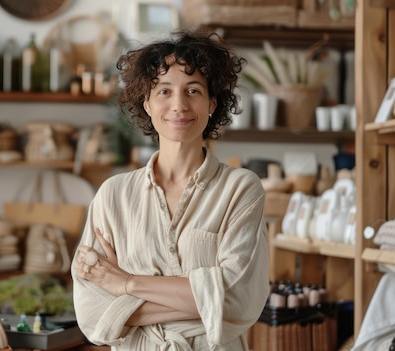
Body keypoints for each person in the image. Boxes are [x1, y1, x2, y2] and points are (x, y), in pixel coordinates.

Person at [71, 29, 269, 350]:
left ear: (212, 103)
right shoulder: (113, 195)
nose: (179, 105)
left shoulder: (239, 189)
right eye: (164, 91)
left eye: (193, 90)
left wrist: (126, 284)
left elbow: (238, 298)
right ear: (147, 103)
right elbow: (93, 312)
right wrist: (205, 301)